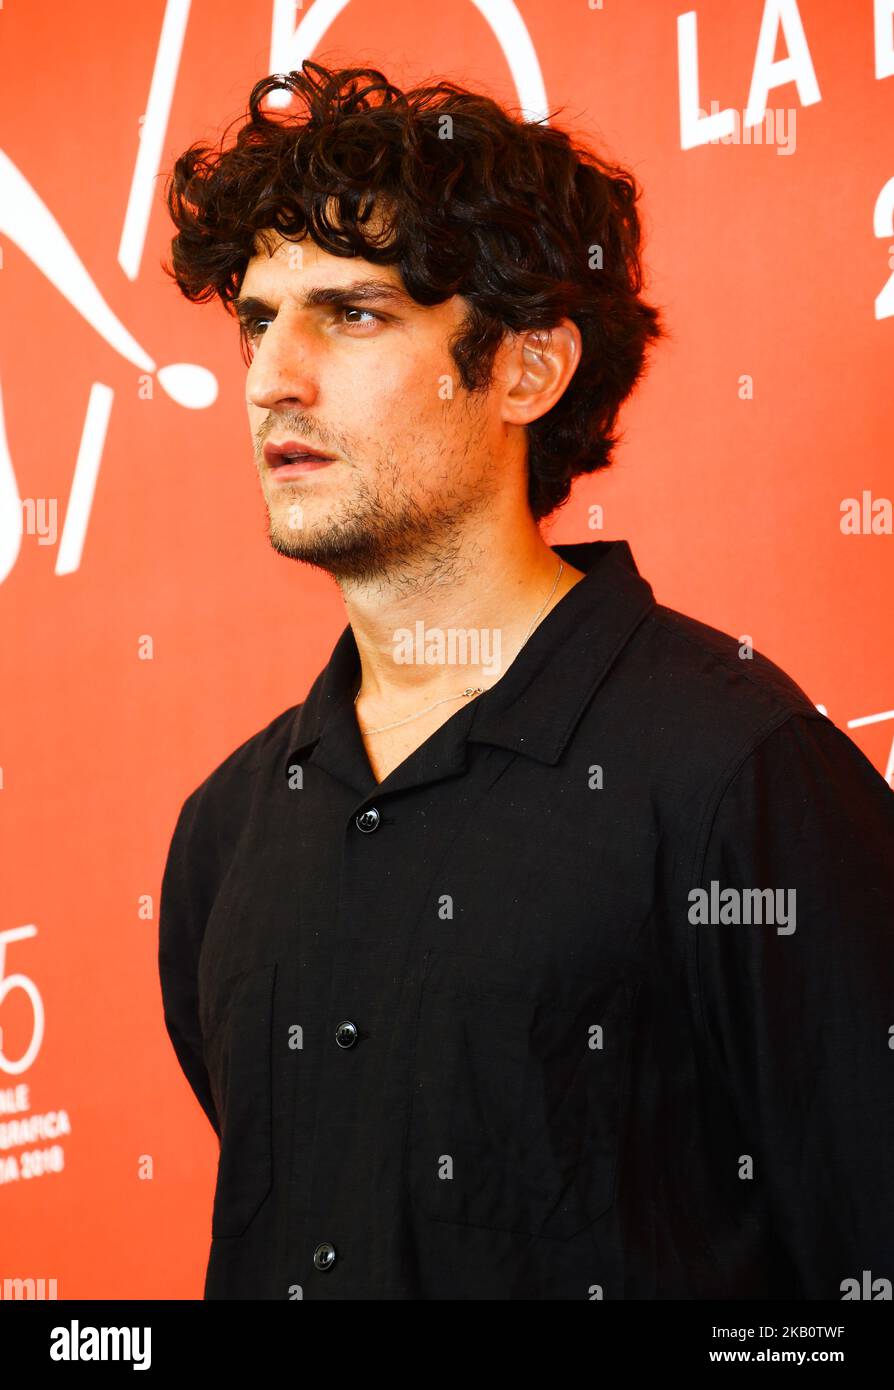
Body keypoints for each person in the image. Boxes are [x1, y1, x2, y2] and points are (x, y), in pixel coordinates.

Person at [158, 61, 894, 1300]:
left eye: (352, 314)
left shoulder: (736, 771)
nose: (271, 376)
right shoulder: (226, 832)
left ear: (526, 371)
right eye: (257, 319)